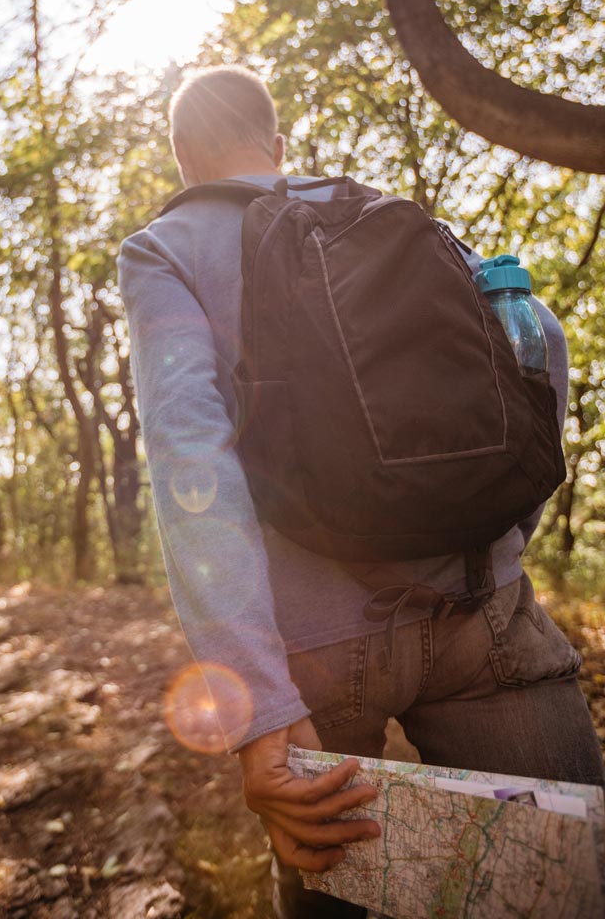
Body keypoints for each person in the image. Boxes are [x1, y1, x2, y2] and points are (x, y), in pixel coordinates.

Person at [117, 65, 604, 918]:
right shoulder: (392, 216)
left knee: (333, 880)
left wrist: (259, 708)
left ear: (187, 160)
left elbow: (192, 462)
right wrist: (501, 538)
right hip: (480, 609)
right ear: (276, 144)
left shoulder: (168, 246)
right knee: (569, 880)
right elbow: (541, 346)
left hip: (314, 654)